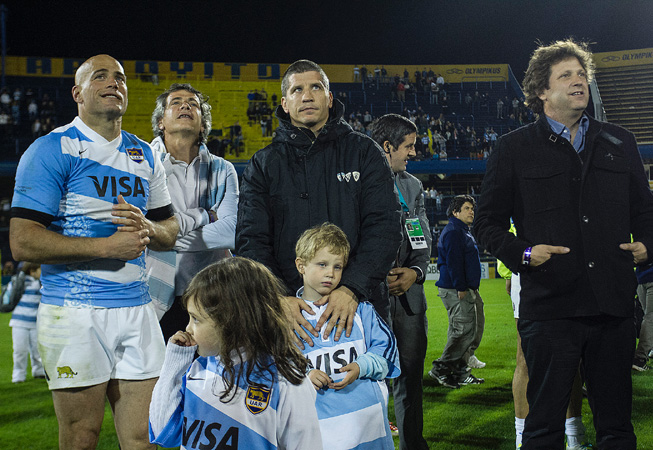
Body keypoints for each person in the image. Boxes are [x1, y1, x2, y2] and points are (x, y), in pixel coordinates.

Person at [474, 39, 653, 450]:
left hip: (612, 307)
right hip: (551, 307)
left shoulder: (619, 141)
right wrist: (523, 253)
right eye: (566, 75)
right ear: (542, 90)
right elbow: (487, 223)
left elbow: (646, 211)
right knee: (544, 429)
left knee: (618, 428)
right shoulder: (512, 148)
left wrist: (647, 244)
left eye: (581, 74)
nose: (578, 82)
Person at [9, 54, 179, 450]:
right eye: (99, 76)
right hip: (74, 312)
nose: (113, 82)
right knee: (81, 435)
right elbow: (23, 240)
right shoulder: (52, 149)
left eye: (119, 77)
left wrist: (149, 228)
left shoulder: (143, 154)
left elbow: (170, 230)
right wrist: (107, 246)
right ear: (78, 93)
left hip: (138, 311)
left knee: (144, 437)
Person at [236, 59, 401, 349]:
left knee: (362, 392)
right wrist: (279, 298)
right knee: (289, 394)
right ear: (285, 104)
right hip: (288, 313)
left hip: (358, 306)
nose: (308, 95)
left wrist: (351, 288)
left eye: (316, 87)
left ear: (329, 97)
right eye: (297, 89)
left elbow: (385, 226)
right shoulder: (263, 164)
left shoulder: (365, 152)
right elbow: (251, 240)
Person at [149, 257, 322, 449]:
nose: (187, 328)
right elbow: (162, 430)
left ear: (231, 321)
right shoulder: (197, 370)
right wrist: (174, 363)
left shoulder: (285, 382)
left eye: (196, 319)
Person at [293, 223, 400, 449]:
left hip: (369, 430)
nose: (330, 273)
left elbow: (388, 353)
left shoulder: (362, 310)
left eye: (338, 267)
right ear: (301, 265)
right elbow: (274, 365)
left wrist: (362, 366)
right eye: (322, 264)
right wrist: (305, 375)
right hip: (318, 434)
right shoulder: (289, 319)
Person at [147, 83, 238, 340]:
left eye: (193, 103)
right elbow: (141, 232)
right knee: (160, 377)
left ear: (202, 125)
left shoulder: (223, 169)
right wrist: (205, 216)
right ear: (161, 122)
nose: (185, 105)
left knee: (215, 375)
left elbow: (231, 232)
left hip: (214, 293)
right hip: (155, 292)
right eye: (175, 102)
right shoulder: (142, 164)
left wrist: (162, 236)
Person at [370, 114, 431, 450]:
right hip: (368, 299)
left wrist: (415, 274)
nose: (413, 153)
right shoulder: (355, 182)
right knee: (366, 378)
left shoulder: (413, 186)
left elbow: (421, 242)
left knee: (410, 381)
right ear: (387, 146)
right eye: (408, 146)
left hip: (409, 301)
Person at [497, 239, 592, 450]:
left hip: (572, 268)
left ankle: (575, 436)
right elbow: (505, 227)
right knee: (525, 356)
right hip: (531, 271)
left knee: (573, 354)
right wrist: (510, 268)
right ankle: (521, 437)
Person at [429, 195, 485, 388]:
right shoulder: (454, 231)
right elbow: (453, 262)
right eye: (467, 208)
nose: (472, 212)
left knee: (468, 330)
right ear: (455, 212)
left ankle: (461, 372)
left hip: (464, 288)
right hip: (456, 289)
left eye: (472, 208)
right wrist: (461, 287)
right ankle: (440, 369)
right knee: (462, 332)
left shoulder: (461, 230)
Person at [9, 262, 45, 383]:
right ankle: (18, 375)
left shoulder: (42, 283)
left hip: (35, 322)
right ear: (32, 270)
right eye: (40, 269)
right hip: (19, 322)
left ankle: (38, 370)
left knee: (37, 349)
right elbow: (11, 294)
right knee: (20, 350)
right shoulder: (20, 281)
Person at [633, 264, 653, 371]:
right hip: (649, 279)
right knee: (650, 318)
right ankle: (640, 358)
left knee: (648, 317)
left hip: (641, 278)